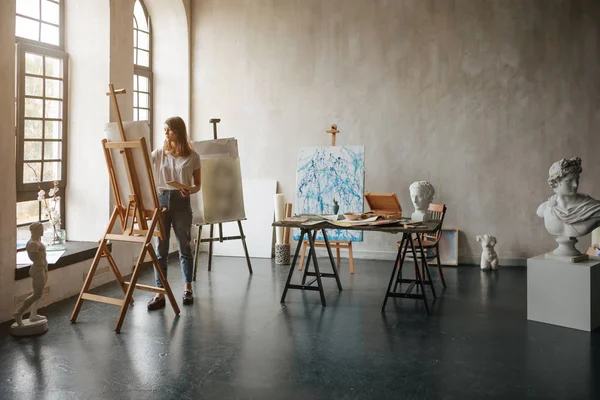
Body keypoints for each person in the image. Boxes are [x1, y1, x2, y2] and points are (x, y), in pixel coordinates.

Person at [148, 116, 201, 310]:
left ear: (178, 131)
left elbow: (198, 185)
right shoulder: (160, 153)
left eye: (169, 129)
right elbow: (141, 161)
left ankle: (187, 289)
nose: (165, 133)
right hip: (161, 200)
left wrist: (189, 190)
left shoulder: (193, 156)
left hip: (182, 202)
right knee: (160, 249)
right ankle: (160, 292)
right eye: (164, 129)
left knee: (184, 246)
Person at [14, 222, 48, 325]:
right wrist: (41, 264)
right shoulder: (33, 243)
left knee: (38, 294)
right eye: (41, 229)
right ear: (34, 231)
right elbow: (34, 258)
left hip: (43, 269)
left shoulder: (38, 240)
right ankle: (18, 313)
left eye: (43, 228)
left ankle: (33, 315)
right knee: (36, 294)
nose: (43, 231)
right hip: (37, 270)